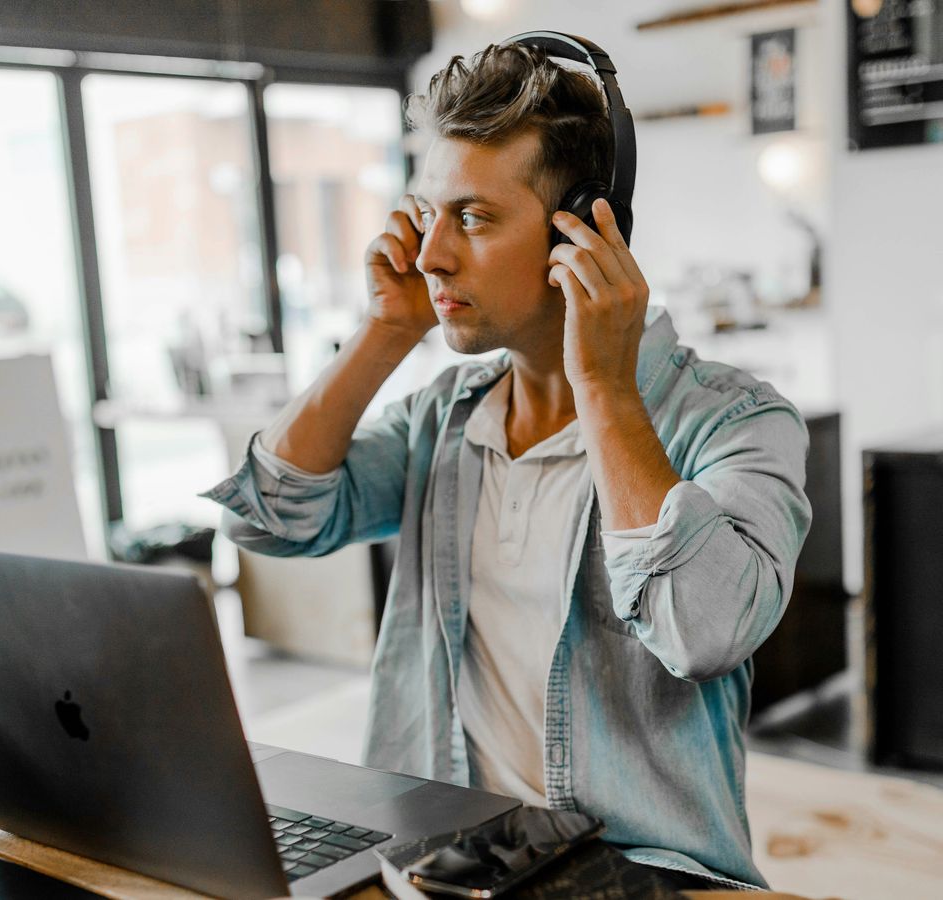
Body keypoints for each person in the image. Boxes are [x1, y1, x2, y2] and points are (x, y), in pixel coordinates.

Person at [204, 40, 810, 890]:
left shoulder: (736, 422)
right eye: (427, 214)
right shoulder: (443, 420)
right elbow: (265, 517)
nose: (430, 256)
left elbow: (703, 632)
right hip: (437, 863)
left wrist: (602, 381)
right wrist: (386, 334)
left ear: (587, 231)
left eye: (476, 218)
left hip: (637, 877)